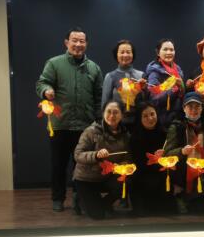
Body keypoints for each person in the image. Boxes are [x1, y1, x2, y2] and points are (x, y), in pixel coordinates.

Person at [36, 27, 103, 213]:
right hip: (60, 124)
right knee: (58, 165)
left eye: (82, 41)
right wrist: (46, 91)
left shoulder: (94, 68)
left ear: (86, 44)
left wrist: (98, 119)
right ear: (66, 43)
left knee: (82, 167)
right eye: (74, 40)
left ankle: (79, 198)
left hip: (85, 126)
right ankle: (58, 198)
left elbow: (99, 96)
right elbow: (42, 83)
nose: (78, 44)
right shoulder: (54, 63)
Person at [73, 100, 131, 220]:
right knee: (97, 216)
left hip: (107, 177)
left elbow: (126, 157)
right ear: (103, 113)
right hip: (86, 179)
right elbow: (78, 154)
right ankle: (79, 198)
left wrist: (123, 166)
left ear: (122, 115)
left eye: (116, 112)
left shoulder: (126, 135)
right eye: (108, 112)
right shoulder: (91, 131)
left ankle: (103, 204)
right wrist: (96, 155)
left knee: (129, 178)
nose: (112, 116)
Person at [164, 92, 204, 213]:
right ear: (184, 108)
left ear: (202, 108)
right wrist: (182, 151)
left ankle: (188, 198)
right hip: (182, 170)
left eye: (197, 106)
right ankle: (182, 197)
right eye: (190, 107)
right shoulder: (176, 127)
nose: (193, 110)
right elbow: (166, 154)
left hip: (203, 169)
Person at [129, 102, 177, 215]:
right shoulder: (134, 137)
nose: (150, 118)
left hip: (162, 174)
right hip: (141, 177)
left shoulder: (165, 134)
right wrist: (154, 160)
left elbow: (172, 157)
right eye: (145, 116)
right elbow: (137, 164)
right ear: (139, 119)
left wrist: (162, 159)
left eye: (152, 114)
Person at [101, 40, 146, 128]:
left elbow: (147, 102)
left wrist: (144, 89)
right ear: (116, 55)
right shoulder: (110, 76)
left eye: (128, 52)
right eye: (122, 52)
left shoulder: (141, 75)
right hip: (117, 125)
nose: (125, 55)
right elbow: (104, 105)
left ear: (133, 55)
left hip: (139, 124)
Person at [145, 39, 185, 129]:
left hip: (178, 118)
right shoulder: (154, 73)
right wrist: (174, 89)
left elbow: (181, 94)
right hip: (162, 120)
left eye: (171, 50)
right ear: (158, 53)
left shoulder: (178, 70)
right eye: (165, 49)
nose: (169, 52)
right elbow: (153, 100)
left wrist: (183, 87)